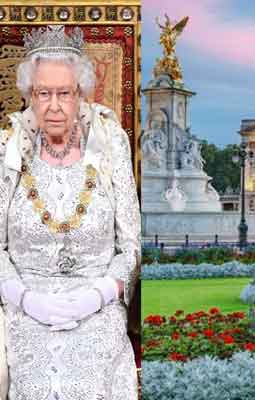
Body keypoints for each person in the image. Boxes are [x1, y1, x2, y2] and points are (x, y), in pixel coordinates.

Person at [0, 25, 139, 399]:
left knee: (88, 383)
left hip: (96, 307)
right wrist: (26, 299)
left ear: (81, 94)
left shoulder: (110, 145)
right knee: (36, 384)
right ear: (29, 94)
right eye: (43, 93)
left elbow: (130, 247)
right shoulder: (8, 149)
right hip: (23, 306)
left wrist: (96, 296)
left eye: (64, 92)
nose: (54, 105)